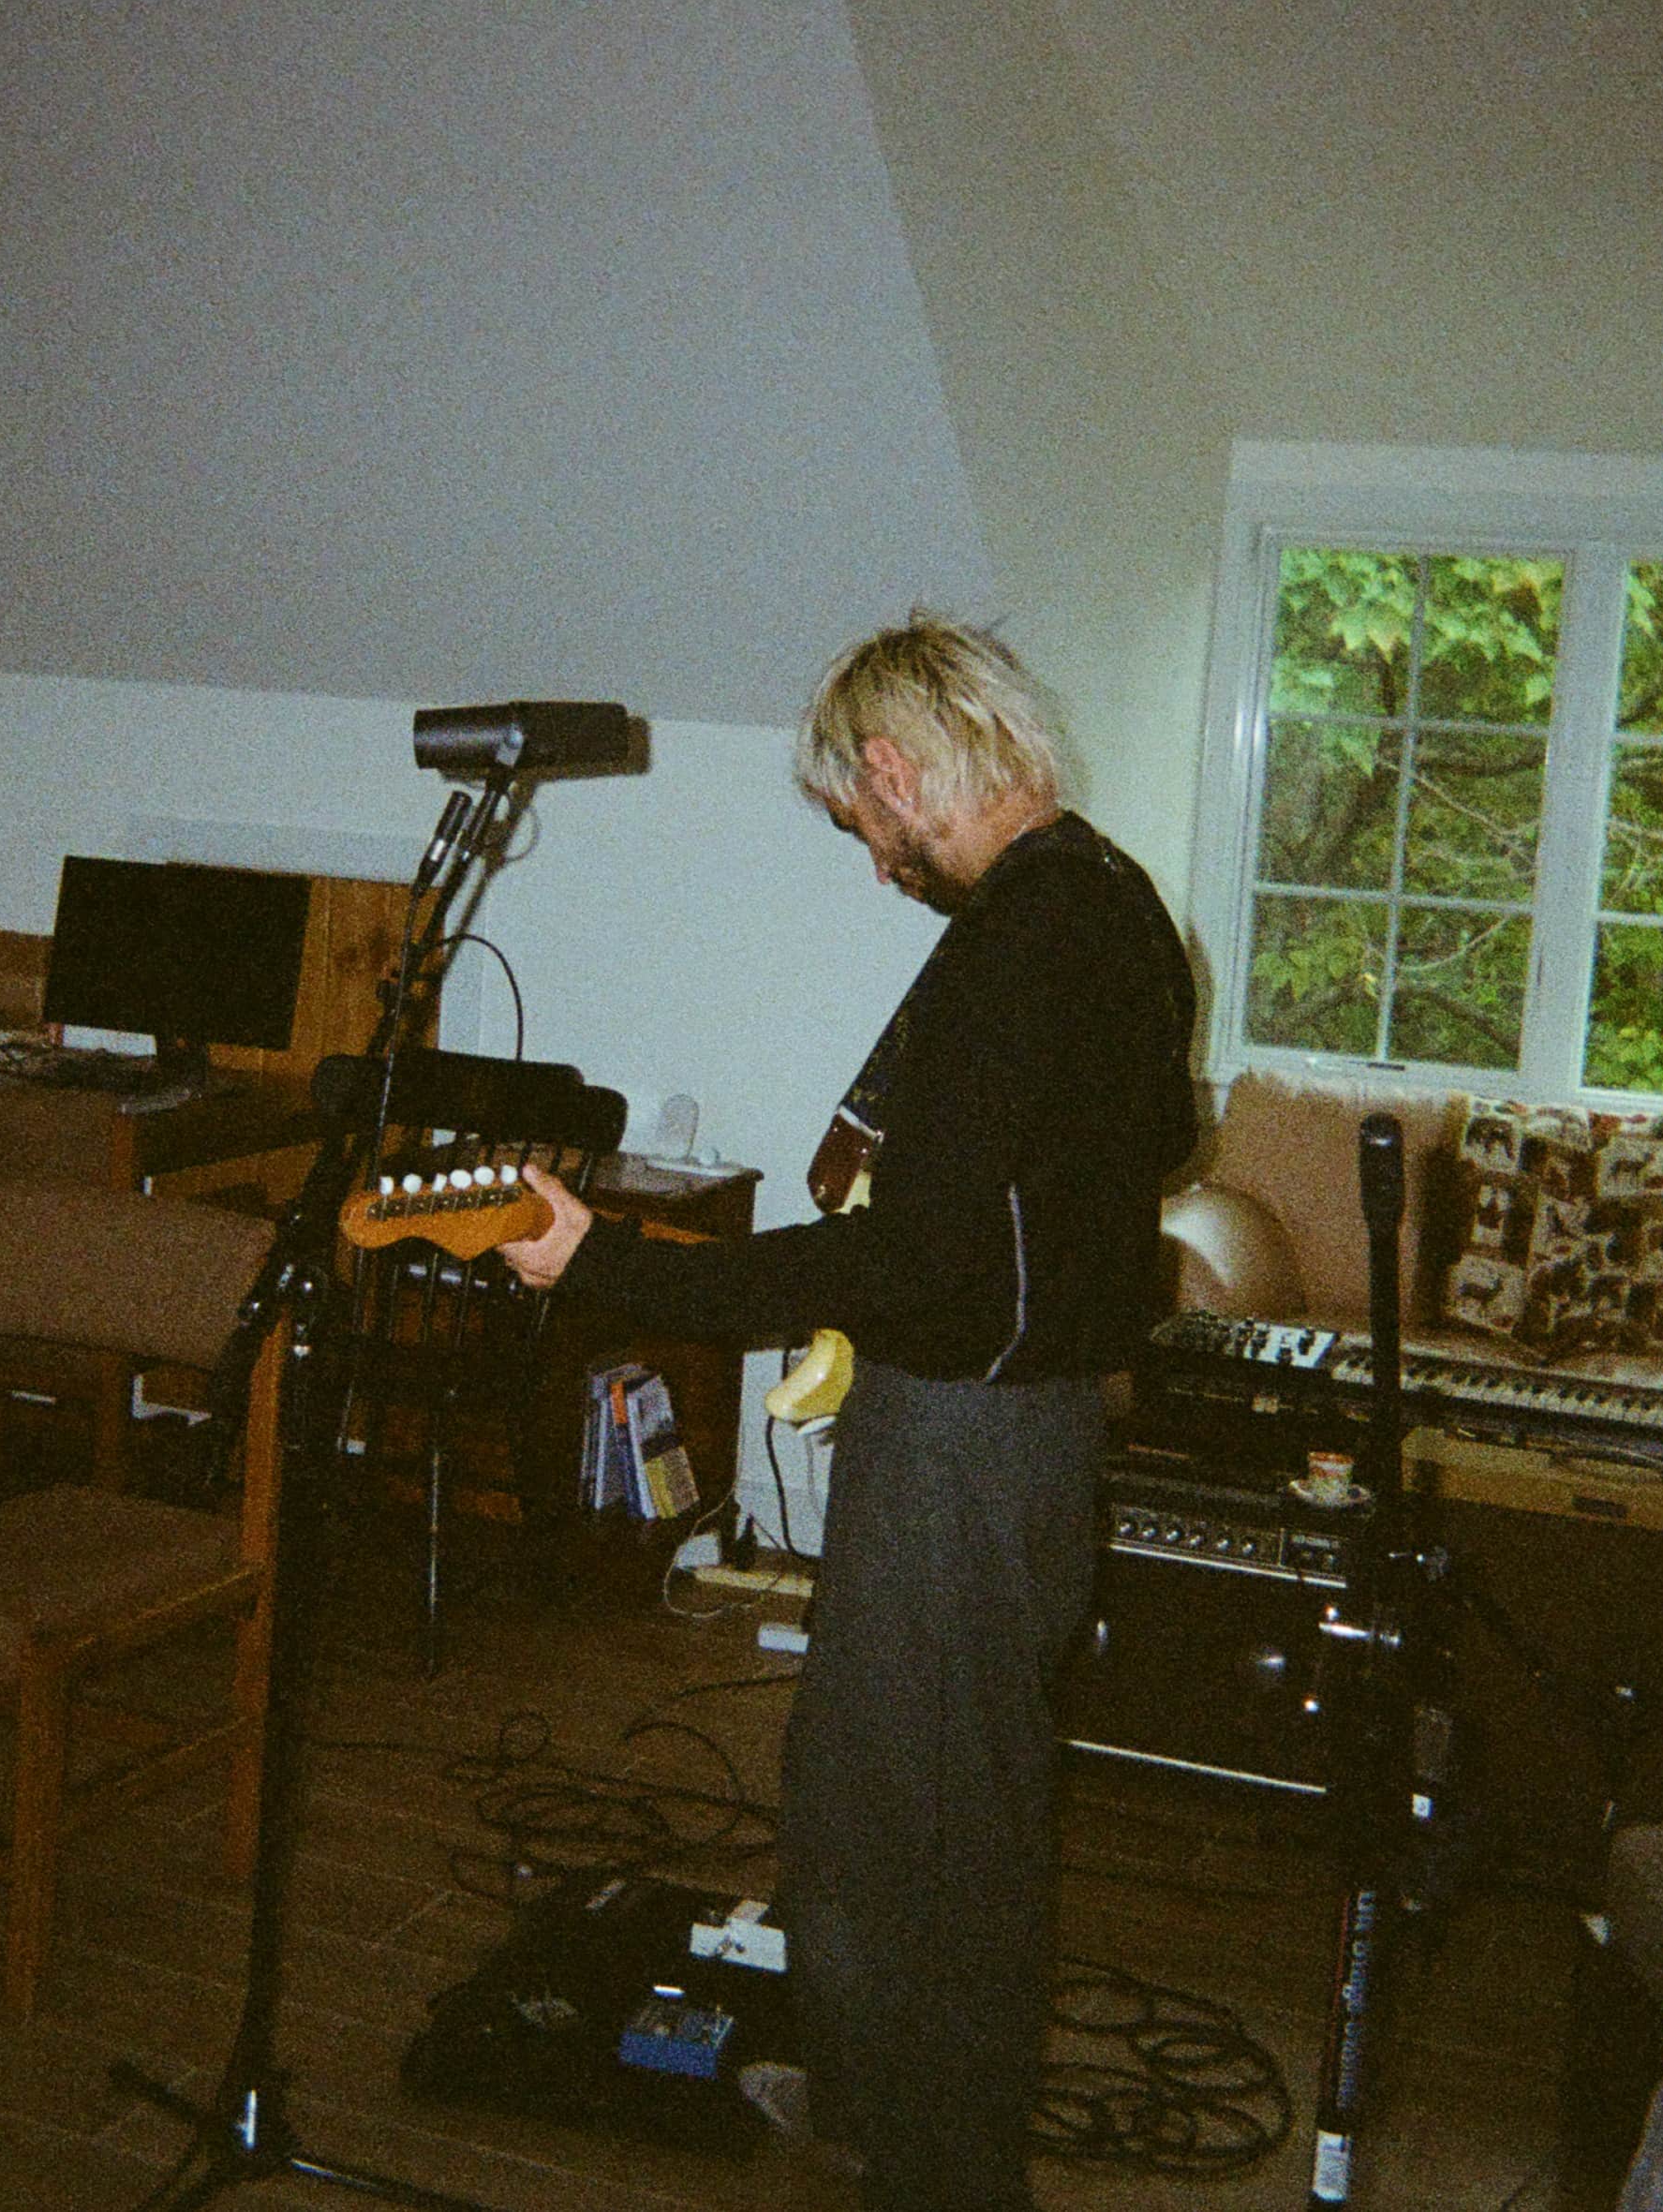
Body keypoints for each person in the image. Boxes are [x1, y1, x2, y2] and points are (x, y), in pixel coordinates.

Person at [498, 616, 1197, 2212]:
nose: (875, 864)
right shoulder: (1113, 901)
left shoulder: (1017, 941)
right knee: (881, 1792)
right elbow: (1146, 1135)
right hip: (1026, 1431)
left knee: (924, 1831)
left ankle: (938, 2172)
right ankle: (879, 2093)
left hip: (966, 1432)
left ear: (892, 771)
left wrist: (608, 1260)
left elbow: (912, 1256)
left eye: (857, 825)